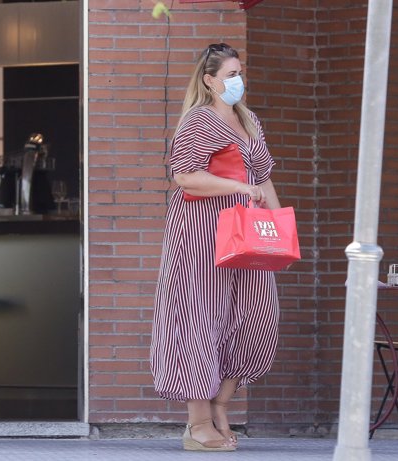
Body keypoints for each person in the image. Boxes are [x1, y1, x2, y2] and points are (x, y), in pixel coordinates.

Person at [150, 43, 282, 452]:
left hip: (247, 229)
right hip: (202, 230)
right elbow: (185, 176)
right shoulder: (199, 121)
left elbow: (264, 177)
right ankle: (198, 424)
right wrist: (238, 187)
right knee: (200, 317)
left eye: (240, 73)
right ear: (209, 80)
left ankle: (221, 404)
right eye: (230, 75)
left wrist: (278, 229)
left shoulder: (249, 119)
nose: (238, 81)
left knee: (256, 316)